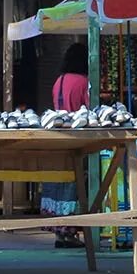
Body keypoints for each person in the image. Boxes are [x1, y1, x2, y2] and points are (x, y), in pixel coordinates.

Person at [44, 42, 87, 247]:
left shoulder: (58, 81)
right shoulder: (83, 82)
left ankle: (59, 232)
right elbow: (89, 109)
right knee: (73, 184)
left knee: (58, 183)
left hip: (58, 136)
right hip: (77, 138)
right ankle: (69, 231)